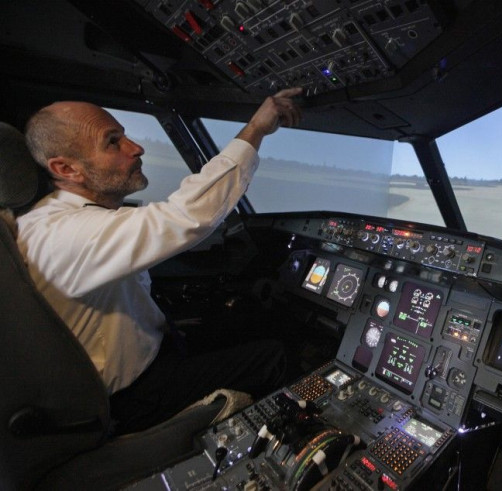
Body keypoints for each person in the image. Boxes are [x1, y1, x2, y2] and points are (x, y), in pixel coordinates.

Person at [16, 87, 303, 434]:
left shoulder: (52, 218)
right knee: (275, 356)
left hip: (150, 350)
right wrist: (256, 128)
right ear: (66, 168)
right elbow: (186, 216)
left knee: (250, 319)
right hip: (133, 396)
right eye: (113, 142)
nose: (135, 148)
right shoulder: (66, 234)